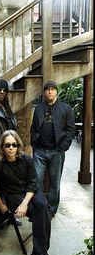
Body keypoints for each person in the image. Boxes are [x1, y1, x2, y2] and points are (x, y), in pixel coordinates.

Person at [0, 130, 52, 255]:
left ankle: (40, 253)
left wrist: (25, 203)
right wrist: (1, 205)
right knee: (40, 212)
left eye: (14, 144)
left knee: (43, 206)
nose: (11, 148)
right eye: (7, 145)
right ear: (2, 147)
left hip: (30, 191)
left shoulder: (27, 159)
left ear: (18, 145)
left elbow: (33, 182)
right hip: (13, 195)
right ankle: (41, 251)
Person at [30, 80, 75, 218]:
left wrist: (63, 146)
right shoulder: (38, 107)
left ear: (56, 91)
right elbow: (33, 127)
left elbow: (70, 129)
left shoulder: (66, 108)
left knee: (55, 183)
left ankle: (51, 210)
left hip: (57, 151)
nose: (50, 91)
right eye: (47, 89)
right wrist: (35, 143)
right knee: (36, 181)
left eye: (52, 89)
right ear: (44, 92)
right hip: (40, 151)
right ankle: (37, 209)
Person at [0, 79, 21, 226]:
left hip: (10, 150)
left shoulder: (6, 106)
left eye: (4, 90)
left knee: (10, 184)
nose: (1, 92)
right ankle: (2, 214)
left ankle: (11, 214)